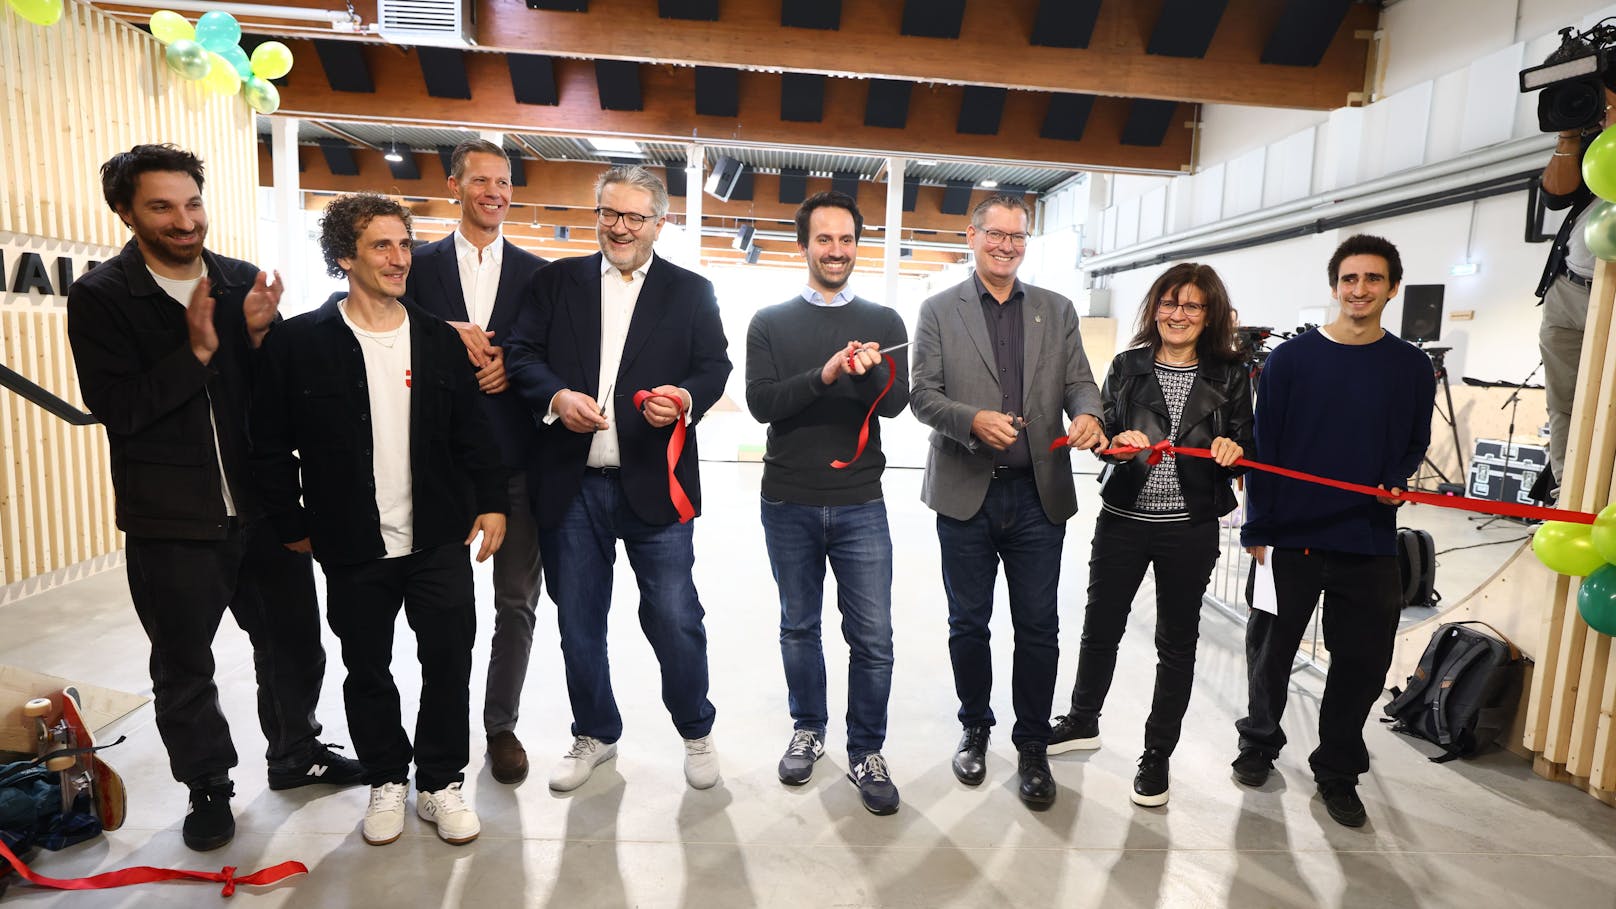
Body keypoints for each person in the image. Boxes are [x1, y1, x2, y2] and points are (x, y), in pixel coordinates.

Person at [66, 144, 362, 853]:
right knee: (184, 664)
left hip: (261, 506)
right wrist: (197, 352)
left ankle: (296, 752)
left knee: (294, 643)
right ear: (125, 211)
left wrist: (257, 338)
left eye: (192, 202)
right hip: (171, 517)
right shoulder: (104, 296)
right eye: (162, 206)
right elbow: (120, 406)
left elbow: (272, 400)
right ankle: (209, 785)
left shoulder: (236, 280)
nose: (183, 219)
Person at [251, 193, 508, 847]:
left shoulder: (438, 339)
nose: (400, 259)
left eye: (404, 245)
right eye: (381, 246)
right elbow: (270, 440)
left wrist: (494, 499)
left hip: (436, 537)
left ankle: (440, 782)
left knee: (448, 659)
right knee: (367, 668)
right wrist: (290, 519)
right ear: (345, 257)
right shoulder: (301, 342)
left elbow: (474, 431)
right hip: (352, 542)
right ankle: (388, 777)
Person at [505, 165, 733, 793]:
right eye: (610, 213)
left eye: (635, 217)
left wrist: (684, 398)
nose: (620, 227)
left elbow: (714, 366)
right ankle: (596, 733)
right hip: (571, 485)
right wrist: (555, 398)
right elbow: (521, 354)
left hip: (655, 482)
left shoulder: (691, 291)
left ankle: (695, 728)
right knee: (578, 619)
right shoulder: (557, 283)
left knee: (674, 615)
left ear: (660, 223)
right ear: (597, 213)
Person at [910, 192, 1106, 811]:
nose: (1006, 246)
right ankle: (975, 725)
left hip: (1036, 496)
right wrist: (971, 421)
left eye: (1017, 237)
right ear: (972, 237)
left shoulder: (1057, 309)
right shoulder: (940, 309)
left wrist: (1091, 415)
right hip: (965, 494)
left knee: (1038, 626)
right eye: (995, 234)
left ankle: (1030, 744)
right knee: (968, 623)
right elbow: (922, 394)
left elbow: (1079, 380)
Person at [1234, 234, 1435, 829]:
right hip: (1288, 535)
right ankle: (1259, 743)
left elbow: (1412, 442)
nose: (1360, 289)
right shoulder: (1291, 361)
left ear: (1392, 289)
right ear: (1334, 286)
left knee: (1363, 661)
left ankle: (1339, 770)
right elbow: (1263, 447)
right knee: (1270, 652)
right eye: (1350, 279)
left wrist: (1396, 479)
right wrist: (1257, 529)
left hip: (1366, 538)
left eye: (1373, 279)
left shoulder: (1410, 366)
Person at [1048, 262, 1253, 808]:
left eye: (1191, 305)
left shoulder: (1231, 374)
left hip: (1190, 527)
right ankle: (1082, 720)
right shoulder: (1129, 365)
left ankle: (1157, 754)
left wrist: (1234, 453)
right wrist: (1115, 437)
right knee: (1100, 627)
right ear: (1154, 307)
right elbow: (1103, 433)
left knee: (1176, 643)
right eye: (1168, 302)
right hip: (1124, 519)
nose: (1177, 314)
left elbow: (1243, 443)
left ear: (1209, 314)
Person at [744, 191, 910, 815]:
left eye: (845, 240)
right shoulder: (769, 321)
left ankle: (867, 749)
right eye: (824, 239)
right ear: (804, 244)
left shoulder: (886, 322)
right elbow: (763, 403)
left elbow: (895, 405)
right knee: (799, 627)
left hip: (860, 500)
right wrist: (827, 375)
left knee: (873, 637)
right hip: (787, 498)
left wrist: (867, 372)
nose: (835, 251)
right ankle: (808, 730)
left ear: (856, 246)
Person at [404, 139, 549, 785]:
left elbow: (552, 354)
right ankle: (440, 735)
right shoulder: (416, 265)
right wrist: (444, 336)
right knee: (442, 610)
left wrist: (511, 371)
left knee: (516, 601)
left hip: (517, 462)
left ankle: (501, 726)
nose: (494, 191)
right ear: (454, 184)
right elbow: (385, 326)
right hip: (435, 463)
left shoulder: (540, 274)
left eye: (504, 181)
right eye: (482, 179)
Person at [1537, 83, 1616, 497]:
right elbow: (1553, 196)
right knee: (1564, 399)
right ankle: (1567, 490)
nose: (1603, 111)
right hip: (1566, 289)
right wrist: (1569, 135)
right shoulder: (1592, 146)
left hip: (1612, 296)